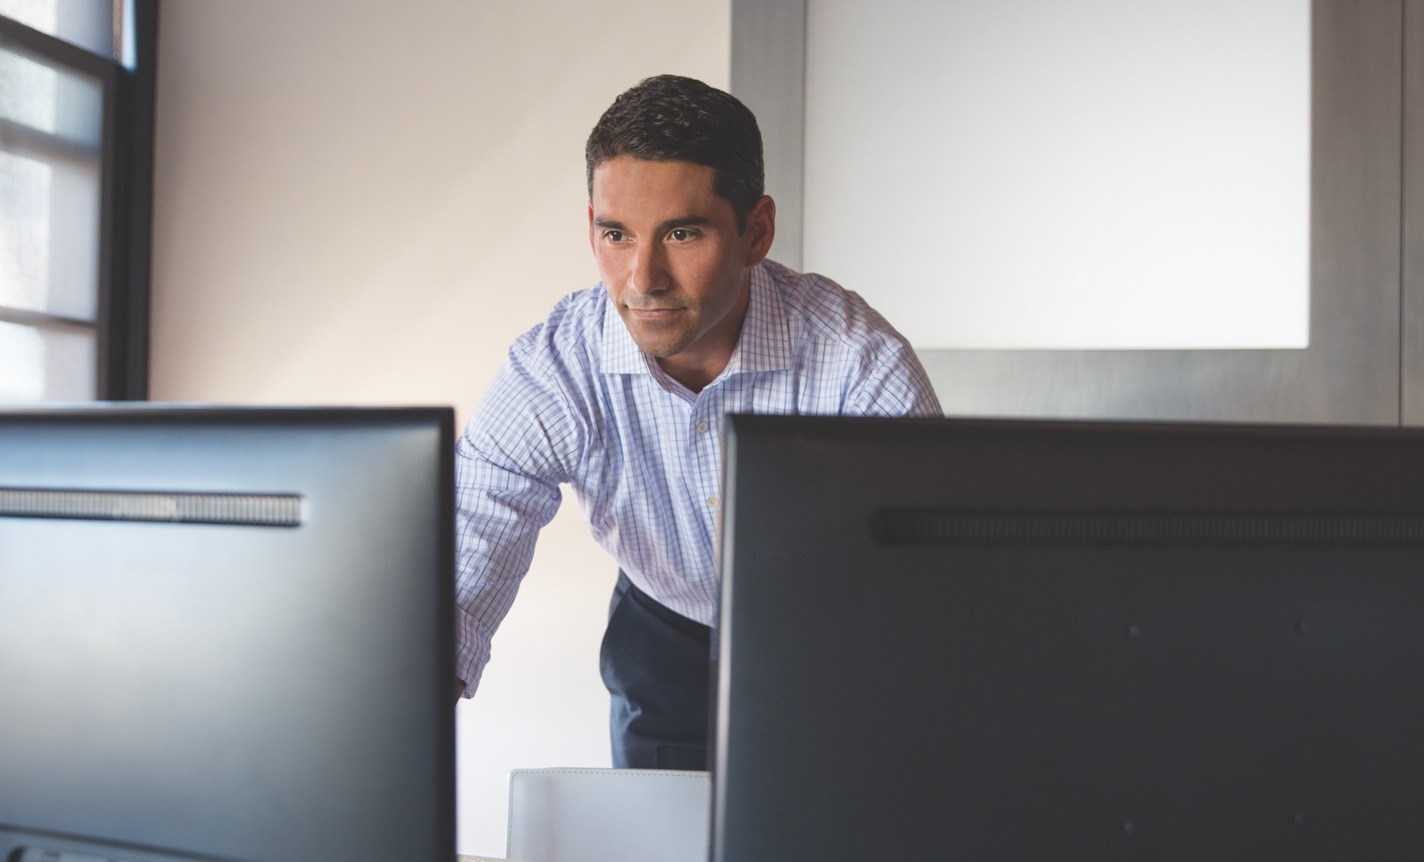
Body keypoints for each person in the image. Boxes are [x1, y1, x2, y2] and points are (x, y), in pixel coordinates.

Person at [454, 74, 942, 769]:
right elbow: (468, 544)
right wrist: (396, 715)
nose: (643, 278)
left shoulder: (858, 363)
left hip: (833, 637)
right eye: (616, 234)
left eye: (682, 233)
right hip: (662, 632)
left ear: (756, 231)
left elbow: (926, 583)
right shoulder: (557, 369)